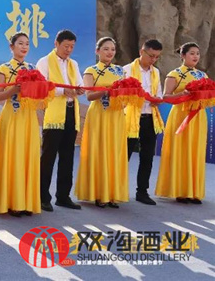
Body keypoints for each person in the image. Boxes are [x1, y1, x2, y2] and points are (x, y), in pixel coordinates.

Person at [0, 32, 40, 217]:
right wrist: (15, 89)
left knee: (27, 156)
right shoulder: (3, 69)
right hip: (11, 116)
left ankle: (26, 202)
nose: (24, 47)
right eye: (20, 43)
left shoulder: (33, 69)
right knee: (12, 156)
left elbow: (39, 95)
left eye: (27, 44)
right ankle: (12, 202)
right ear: (11, 46)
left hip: (28, 116)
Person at [75, 37, 128, 208]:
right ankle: (98, 193)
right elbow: (89, 96)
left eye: (112, 49)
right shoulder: (91, 71)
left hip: (116, 115)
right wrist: (107, 91)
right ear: (97, 51)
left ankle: (112, 193)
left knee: (114, 151)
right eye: (106, 49)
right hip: (99, 115)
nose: (110, 52)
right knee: (98, 151)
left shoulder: (120, 71)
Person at [36, 29, 85, 212]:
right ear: (56, 44)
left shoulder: (73, 64)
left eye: (72, 47)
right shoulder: (44, 62)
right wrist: (62, 91)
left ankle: (63, 196)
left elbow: (79, 83)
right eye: (66, 46)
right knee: (48, 157)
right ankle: (42, 197)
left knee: (67, 156)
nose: (69, 50)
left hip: (71, 111)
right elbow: (41, 87)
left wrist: (79, 90)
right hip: (54, 114)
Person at [156, 42, 209, 204]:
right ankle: (179, 190)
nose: (195, 56)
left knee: (195, 152)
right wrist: (183, 94)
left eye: (197, 53)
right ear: (183, 55)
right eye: (192, 53)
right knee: (181, 151)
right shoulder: (175, 74)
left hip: (198, 117)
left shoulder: (203, 75)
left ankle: (193, 192)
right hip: (181, 116)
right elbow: (166, 97)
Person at [123, 39, 164, 205]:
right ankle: (117, 189)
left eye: (157, 57)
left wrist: (157, 99)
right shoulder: (127, 70)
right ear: (142, 52)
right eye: (151, 55)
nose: (153, 60)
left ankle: (142, 192)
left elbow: (159, 92)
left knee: (147, 157)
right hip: (131, 118)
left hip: (149, 117)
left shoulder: (156, 72)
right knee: (124, 155)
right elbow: (122, 94)